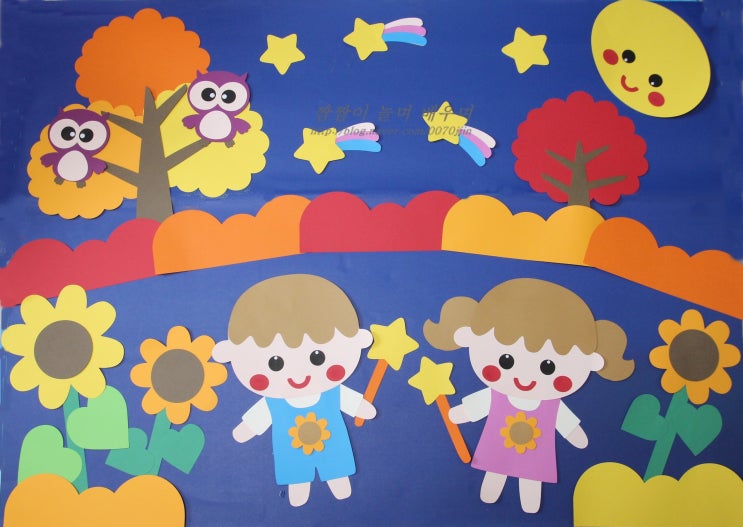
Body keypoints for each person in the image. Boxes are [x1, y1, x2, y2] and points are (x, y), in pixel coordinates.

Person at [424, 278, 634, 513]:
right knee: (495, 471)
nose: (525, 377)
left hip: (536, 455)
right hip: (497, 449)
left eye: (548, 367)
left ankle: (528, 504)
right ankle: (496, 493)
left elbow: (564, 422)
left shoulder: (552, 406)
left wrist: (574, 433)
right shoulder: (497, 396)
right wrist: (462, 412)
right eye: (506, 361)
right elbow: (478, 406)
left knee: (531, 480)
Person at [213, 274, 375, 507]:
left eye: (317, 357)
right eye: (275, 363)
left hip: (333, 448)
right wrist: (246, 428)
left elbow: (351, 402)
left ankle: (337, 479)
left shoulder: (332, 393)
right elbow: (259, 417)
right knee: (297, 474)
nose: (298, 376)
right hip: (291, 454)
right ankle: (300, 484)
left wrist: (360, 407)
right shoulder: (274, 402)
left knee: (337, 470)